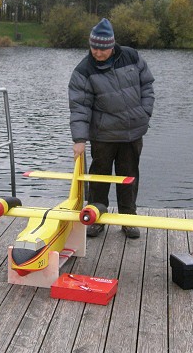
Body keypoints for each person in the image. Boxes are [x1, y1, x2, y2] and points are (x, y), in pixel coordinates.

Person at [68, 18, 155, 239]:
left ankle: (128, 219)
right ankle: (96, 218)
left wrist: (145, 112)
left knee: (129, 175)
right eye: (94, 47)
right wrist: (79, 139)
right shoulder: (83, 70)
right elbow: (79, 107)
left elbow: (147, 85)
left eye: (102, 48)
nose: (97, 52)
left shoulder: (131, 56)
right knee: (99, 177)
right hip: (103, 134)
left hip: (133, 132)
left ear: (112, 45)